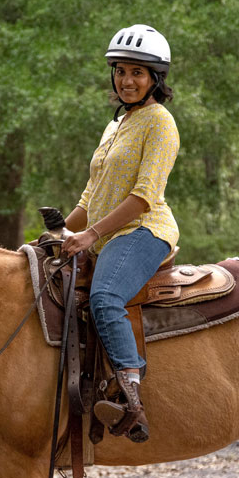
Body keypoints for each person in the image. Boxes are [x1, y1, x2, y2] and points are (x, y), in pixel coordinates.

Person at [59, 24, 180, 443]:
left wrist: (90, 235)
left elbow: (144, 196)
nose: (127, 81)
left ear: (155, 80)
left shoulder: (160, 123)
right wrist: (53, 235)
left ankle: (131, 398)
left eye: (138, 73)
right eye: (121, 71)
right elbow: (91, 196)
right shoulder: (115, 127)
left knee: (105, 296)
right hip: (107, 231)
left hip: (144, 229)